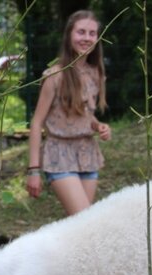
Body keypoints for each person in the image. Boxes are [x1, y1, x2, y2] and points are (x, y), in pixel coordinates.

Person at [26, 10, 111, 216]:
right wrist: (33, 170)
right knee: (85, 221)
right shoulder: (54, 75)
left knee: (80, 226)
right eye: (81, 32)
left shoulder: (95, 73)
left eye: (92, 33)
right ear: (69, 35)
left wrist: (98, 125)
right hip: (59, 155)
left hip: (87, 153)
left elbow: (83, 114)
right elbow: (37, 123)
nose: (86, 38)